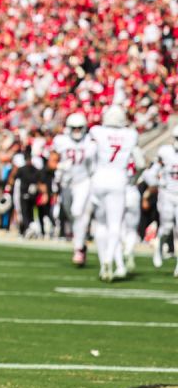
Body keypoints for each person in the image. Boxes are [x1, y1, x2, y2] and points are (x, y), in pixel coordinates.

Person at [87, 106, 138, 282]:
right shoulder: (130, 134)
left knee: (101, 224)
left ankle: (103, 265)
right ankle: (110, 258)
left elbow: (88, 155)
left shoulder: (97, 131)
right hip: (119, 179)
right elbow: (139, 161)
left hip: (99, 179)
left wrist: (90, 174)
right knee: (115, 225)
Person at [52, 113, 94, 266]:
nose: (77, 131)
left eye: (79, 128)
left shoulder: (90, 142)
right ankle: (81, 244)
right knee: (71, 215)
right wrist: (60, 166)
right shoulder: (61, 141)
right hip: (66, 184)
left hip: (84, 182)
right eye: (74, 128)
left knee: (78, 213)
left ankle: (78, 249)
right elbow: (51, 161)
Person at [148, 127, 178, 273]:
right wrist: (157, 182)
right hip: (167, 194)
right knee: (166, 227)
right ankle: (159, 248)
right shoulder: (166, 152)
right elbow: (152, 172)